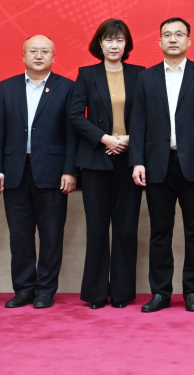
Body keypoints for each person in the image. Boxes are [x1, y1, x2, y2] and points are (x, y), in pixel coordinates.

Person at [130, 18, 194, 313]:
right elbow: (138, 123)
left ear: (188, 41)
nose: (173, 39)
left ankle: (193, 292)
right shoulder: (146, 78)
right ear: (159, 41)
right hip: (157, 165)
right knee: (160, 232)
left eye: (179, 34)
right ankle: (161, 293)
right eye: (167, 35)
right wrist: (137, 161)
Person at [0, 35, 76, 310]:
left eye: (45, 51)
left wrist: (70, 170)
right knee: (19, 235)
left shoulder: (67, 87)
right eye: (33, 51)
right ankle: (24, 289)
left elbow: (72, 133)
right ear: (23, 55)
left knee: (51, 235)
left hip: (52, 172)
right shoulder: (8, 86)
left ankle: (45, 290)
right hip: (14, 171)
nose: (39, 56)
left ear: (53, 56)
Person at [68, 19, 144, 309]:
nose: (114, 45)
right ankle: (96, 293)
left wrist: (129, 139)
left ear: (127, 44)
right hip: (96, 161)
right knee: (97, 228)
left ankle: (122, 293)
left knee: (125, 229)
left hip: (130, 160)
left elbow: (150, 115)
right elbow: (75, 115)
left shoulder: (140, 74)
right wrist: (105, 139)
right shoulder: (86, 74)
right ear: (99, 43)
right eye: (109, 40)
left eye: (120, 40)